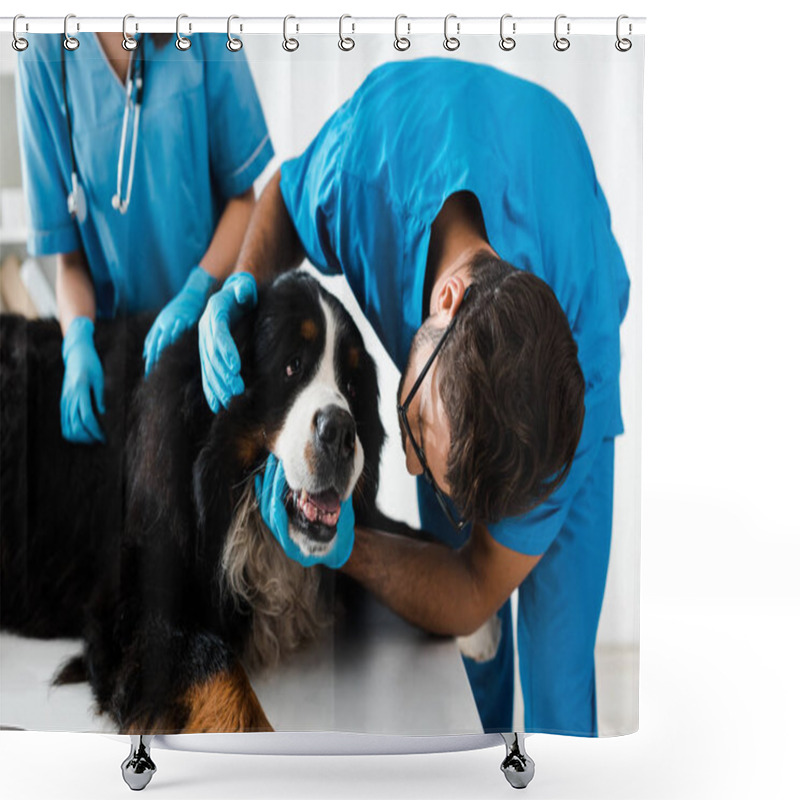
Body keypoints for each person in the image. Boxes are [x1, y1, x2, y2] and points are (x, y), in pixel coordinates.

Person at [198, 58, 630, 736]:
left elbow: (473, 587)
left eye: (422, 442)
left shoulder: (564, 393)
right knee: (468, 660)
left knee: (559, 673)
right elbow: (283, 194)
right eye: (424, 435)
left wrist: (348, 548)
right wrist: (240, 287)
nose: (405, 466)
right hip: (420, 140)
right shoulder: (362, 171)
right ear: (446, 301)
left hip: (575, 324)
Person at [15, 31, 272, 443]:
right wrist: (77, 341)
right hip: (124, 360)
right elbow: (70, 262)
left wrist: (197, 290)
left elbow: (244, 201)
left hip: (214, 344)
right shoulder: (41, 50)